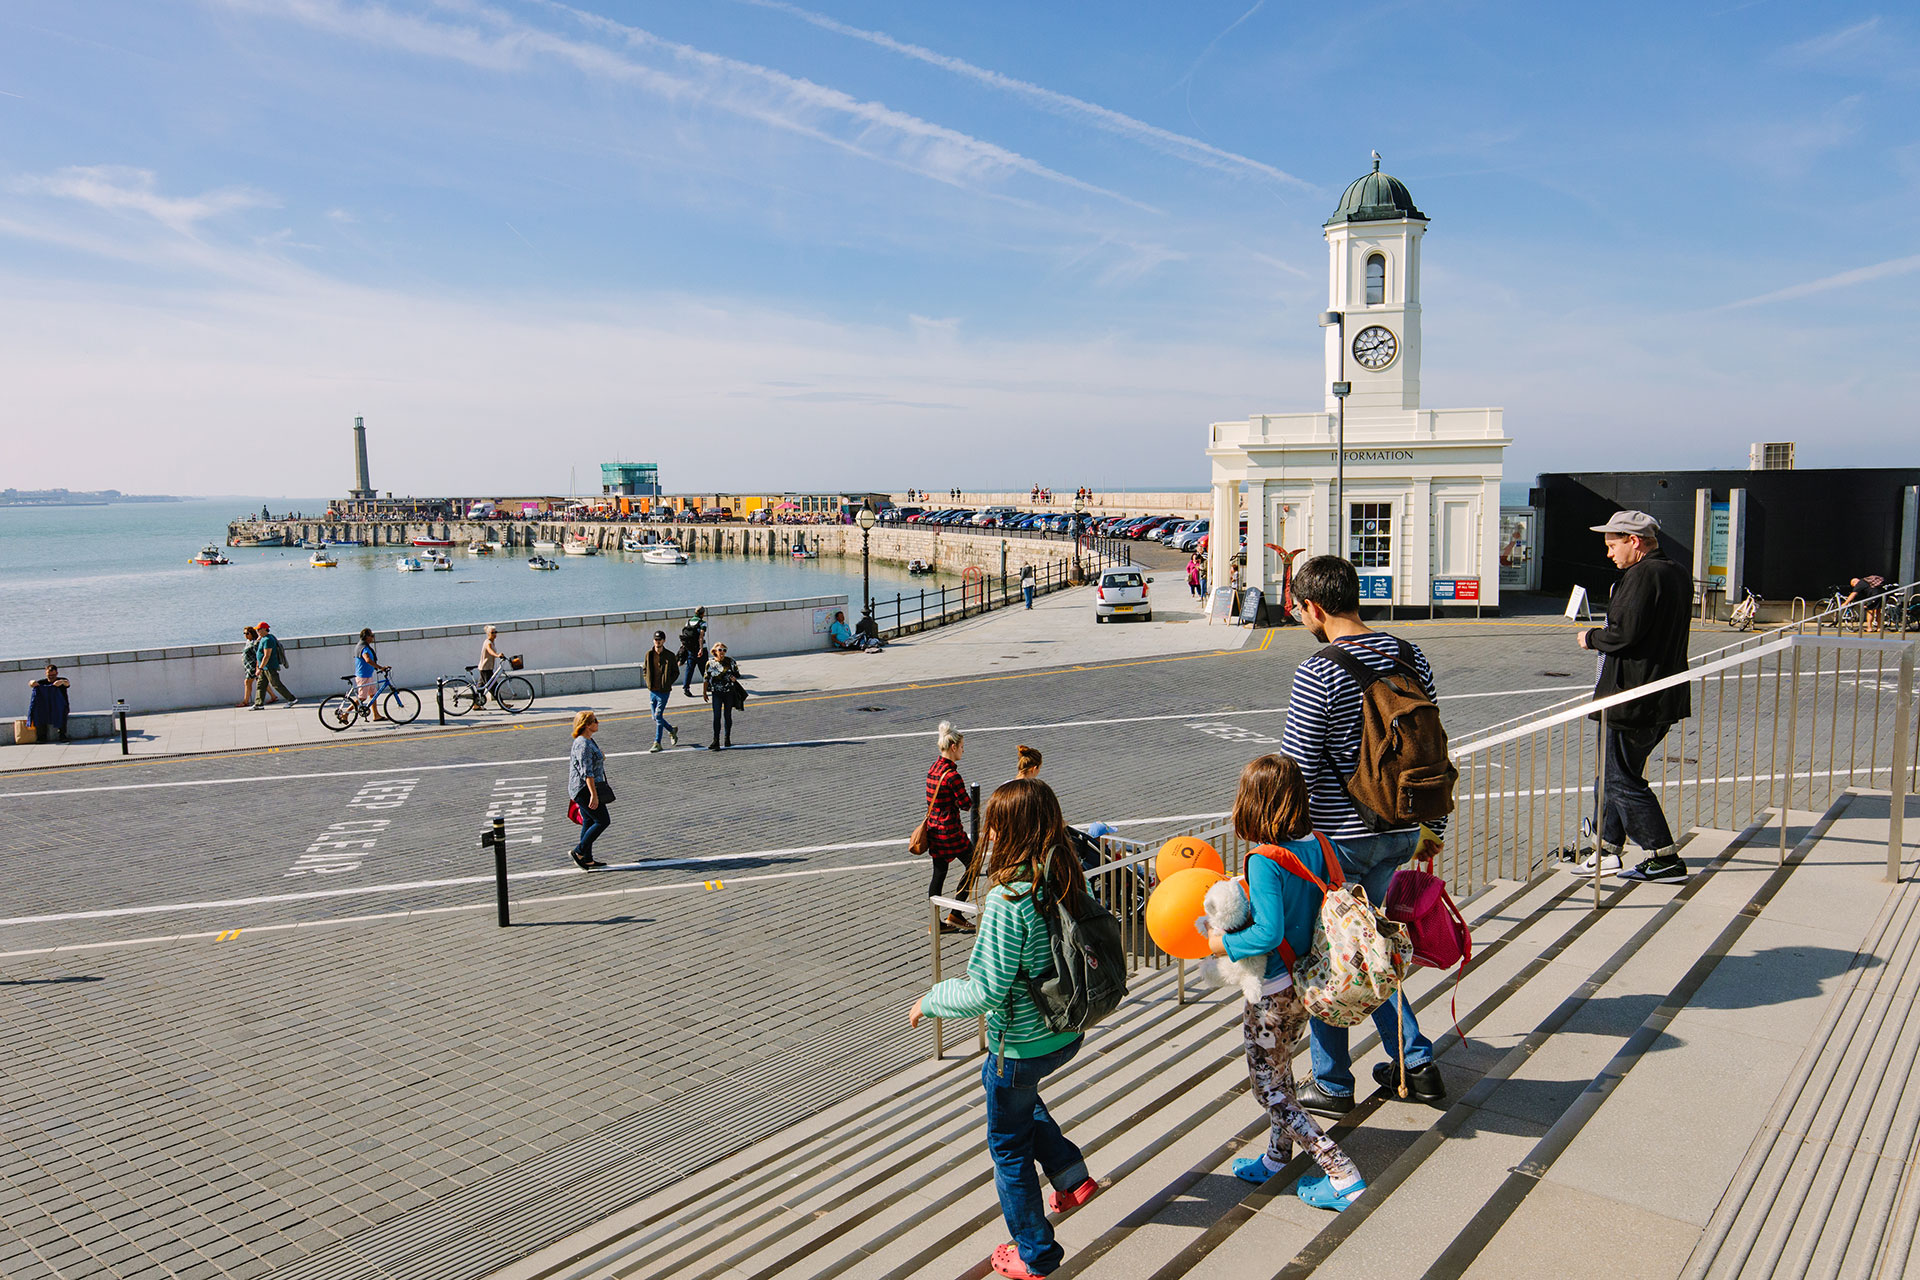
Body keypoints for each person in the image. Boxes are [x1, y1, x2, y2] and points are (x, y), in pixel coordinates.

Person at [909, 779, 1099, 1279]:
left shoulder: (1007, 900)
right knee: (1015, 1098)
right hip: (1067, 1032)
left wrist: (931, 999)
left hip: (1020, 1042)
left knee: (1008, 1145)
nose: (988, 832)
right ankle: (1072, 1177)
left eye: (993, 823)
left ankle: (1035, 1254)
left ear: (1007, 829)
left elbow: (986, 991)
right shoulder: (1065, 875)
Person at [1279, 556, 1443, 1112]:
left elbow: (1296, 765)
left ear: (1315, 608)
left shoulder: (1319, 668)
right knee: (1368, 951)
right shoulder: (1408, 654)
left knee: (1332, 959)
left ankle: (1331, 1081)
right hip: (1399, 829)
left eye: (1300, 609)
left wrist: (1277, 844)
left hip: (1337, 845)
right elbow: (1431, 745)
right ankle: (1414, 1061)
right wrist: (1429, 827)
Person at [1205, 755, 1367, 1210]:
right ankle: (1277, 1157)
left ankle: (1341, 1173)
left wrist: (1220, 944)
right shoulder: (1319, 842)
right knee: (1284, 1074)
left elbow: (1269, 932)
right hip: (1307, 983)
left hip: (1272, 990)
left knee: (1268, 1089)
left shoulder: (1263, 858)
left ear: (1253, 802)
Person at [1574, 511, 1693, 884]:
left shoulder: (1642, 575)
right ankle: (1607, 848)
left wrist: (1591, 637)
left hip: (1632, 695)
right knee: (1615, 774)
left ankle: (1663, 856)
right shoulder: (1676, 572)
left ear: (1634, 541)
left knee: (1620, 778)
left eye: (1613, 545)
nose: (1609, 554)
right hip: (1661, 692)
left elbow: (1624, 633)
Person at [924, 721, 976, 933]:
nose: (963, 750)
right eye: (962, 747)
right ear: (953, 747)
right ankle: (956, 912)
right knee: (973, 864)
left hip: (934, 830)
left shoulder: (933, 768)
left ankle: (935, 922)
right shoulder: (953, 776)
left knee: (939, 873)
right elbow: (966, 804)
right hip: (950, 831)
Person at [567, 710, 611, 870]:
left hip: (584, 787)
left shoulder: (588, 740)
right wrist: (593, 795)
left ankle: (587, 858)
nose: (597, 722)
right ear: (586, 725)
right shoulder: (583, 744)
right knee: (602, 820)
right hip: (584, 789)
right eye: (595, 720)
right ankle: (578, 852)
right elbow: (587, 772)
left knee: (589, 821)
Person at [644, 630, 681, 753]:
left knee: (658, 716)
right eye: (656, 639)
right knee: (655, 717)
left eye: (660, 640)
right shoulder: (649, 654)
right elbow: (645, 669)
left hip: (664, 691)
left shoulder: (670, 655)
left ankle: (657, 742)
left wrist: (667, 682)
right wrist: (647, 681)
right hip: (652, 691)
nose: (657, 641)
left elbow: (676, 672)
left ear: (664, 641)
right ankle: (671, 730)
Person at [702, 642, 742, 750]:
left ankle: (727, 738)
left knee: (727, 715)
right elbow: (706, 678)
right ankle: (716, 740)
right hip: (716, 693)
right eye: (720, 650)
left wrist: (734, 678)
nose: (722, 652)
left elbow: (737, 673)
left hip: (728, 692)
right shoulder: (710, 663)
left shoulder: (730, 661)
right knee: (716, 716)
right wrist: (704, 692)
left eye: (724, 650)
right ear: (715, 651)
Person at [251, 621, 297, 710]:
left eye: (259, 629)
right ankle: (258, 704)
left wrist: (260, 668)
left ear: (265, 629)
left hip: (269, 667)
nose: (257, 631)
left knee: (276, 684)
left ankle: (292, 699)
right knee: (260, 685)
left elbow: (267, 655)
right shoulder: (263, 638)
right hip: (264, 667)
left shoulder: (268, 640)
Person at [351, 628, 389, 721]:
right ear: (366, 637)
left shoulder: (362, 646)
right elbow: (367, 660)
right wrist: (380, 667)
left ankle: (376, 715)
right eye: (371, 636)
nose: (373, 638)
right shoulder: (364, 648)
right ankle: (345, 713)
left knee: (373, 694)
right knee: (362, 698)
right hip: (364, 676)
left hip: (367, 675)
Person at [27, 664, 71, 743]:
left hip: (60, 706)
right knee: (39, 713)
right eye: (49, 675)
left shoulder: (62, 680)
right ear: (46, 674)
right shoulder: (42, 682)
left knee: (61, 712)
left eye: (53, 675)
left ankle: (62, 735)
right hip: (46, 706)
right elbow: (31, 684)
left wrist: (61, 682)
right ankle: (42, 737)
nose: (51, 677)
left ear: (57, 673)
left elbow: (67, 683)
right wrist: (32, 682)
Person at [678, 607, 708, 696]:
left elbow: (685, 637)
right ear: (702, 614)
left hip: (690, 649)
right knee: (704, 669)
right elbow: (701, 637)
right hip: (700, 649)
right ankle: (708, 686)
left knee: (690, 669)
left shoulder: (688, 622)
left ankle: (686, 688)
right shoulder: (703, 623)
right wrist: (701, 649)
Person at [238, 625, 269, 708]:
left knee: (247, 682)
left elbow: (257, 655)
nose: (245, 635)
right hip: (248, 666)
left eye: (247, 633)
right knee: (261, 681)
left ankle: (245, 701)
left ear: (252, 633)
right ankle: (273, 696)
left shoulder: (255, 643)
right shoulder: (249, 641)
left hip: (253, 666)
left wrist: (258, 667)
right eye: (244, 633)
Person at [476, 625, 505, 708]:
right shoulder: (488, 642)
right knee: (493, 687)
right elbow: (490, 651)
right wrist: (497, 655)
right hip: (485, 668)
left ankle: (476, 704)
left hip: (485, 668)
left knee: (481, 687)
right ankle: (502, 704)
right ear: (488, 634)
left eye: (496, 632)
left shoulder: (492, 641)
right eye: (492, 633)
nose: (495, 634)